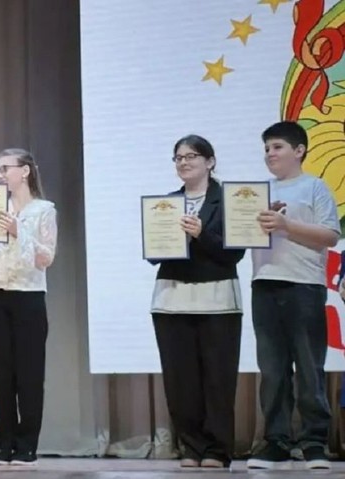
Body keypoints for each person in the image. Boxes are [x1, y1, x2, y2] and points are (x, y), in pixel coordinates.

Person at [246, 121, 340, 470]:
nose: (270, 154)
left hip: (304, 285)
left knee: (309, 368)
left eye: (277, 147)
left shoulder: (314, 187)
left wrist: (286, 226)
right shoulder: (256, 192)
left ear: (299, 150)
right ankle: (277, 441)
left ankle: (314, 442)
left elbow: (330, 235)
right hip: (264, 284)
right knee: (272, 370)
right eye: (266, 148)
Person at [148, 135, 245, 468]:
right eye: (178, 157)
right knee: (180, 380)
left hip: (218, 299)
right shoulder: (167, 203)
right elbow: (155, 255)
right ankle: (191, 447)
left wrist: (201, 233)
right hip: (171, 298)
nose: (184, 162)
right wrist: (157, 238)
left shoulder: (228, 201)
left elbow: (234, 254)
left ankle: (217, 450)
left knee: (218, 379)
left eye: (191, 156)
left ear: (210, 161)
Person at [0, 148, 57, 466]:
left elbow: (46, 257)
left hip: (28, 295)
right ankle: (5, 444)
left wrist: (18, 231)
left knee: (30, 373)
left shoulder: (44, 210)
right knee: (1, 373)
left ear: (24, 171)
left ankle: (27, 446)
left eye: (4, 169)